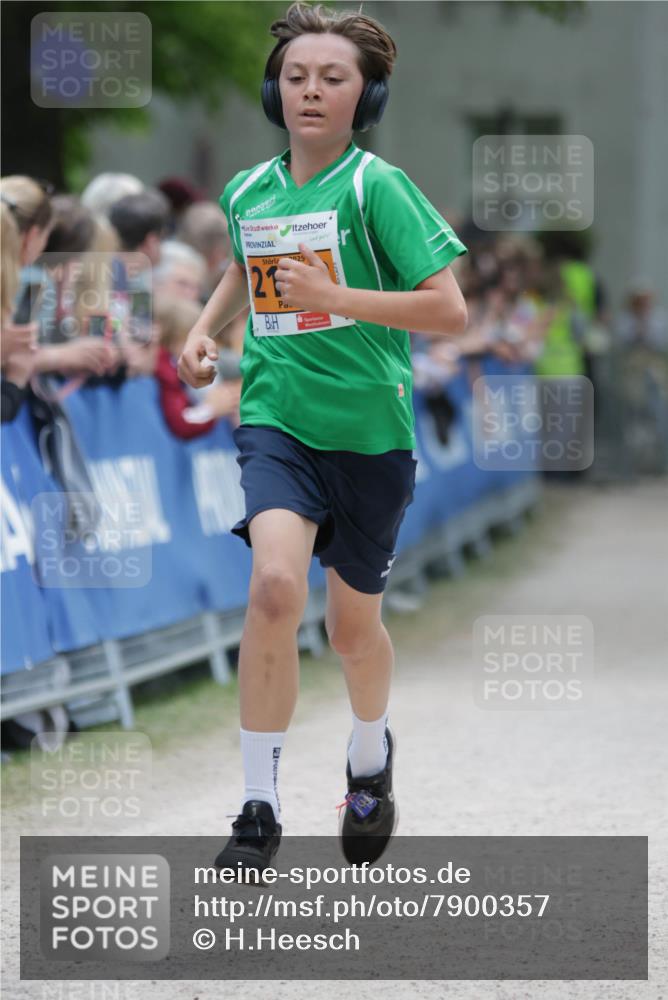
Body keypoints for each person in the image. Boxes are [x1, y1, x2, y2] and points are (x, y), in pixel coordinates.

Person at [177, 1, 468, 876]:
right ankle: (258, 809)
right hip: (275, 420)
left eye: (332, 78)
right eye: (296, 76)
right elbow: (242, 261)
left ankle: (370, 756)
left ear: (364, 95)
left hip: (370, 434)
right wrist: (204, 331)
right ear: (275, 90)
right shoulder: (245, 191)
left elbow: (448, 310)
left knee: (351, 632)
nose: (311, 91)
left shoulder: (376, 187)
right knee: (272, 588)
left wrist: (341, 300)